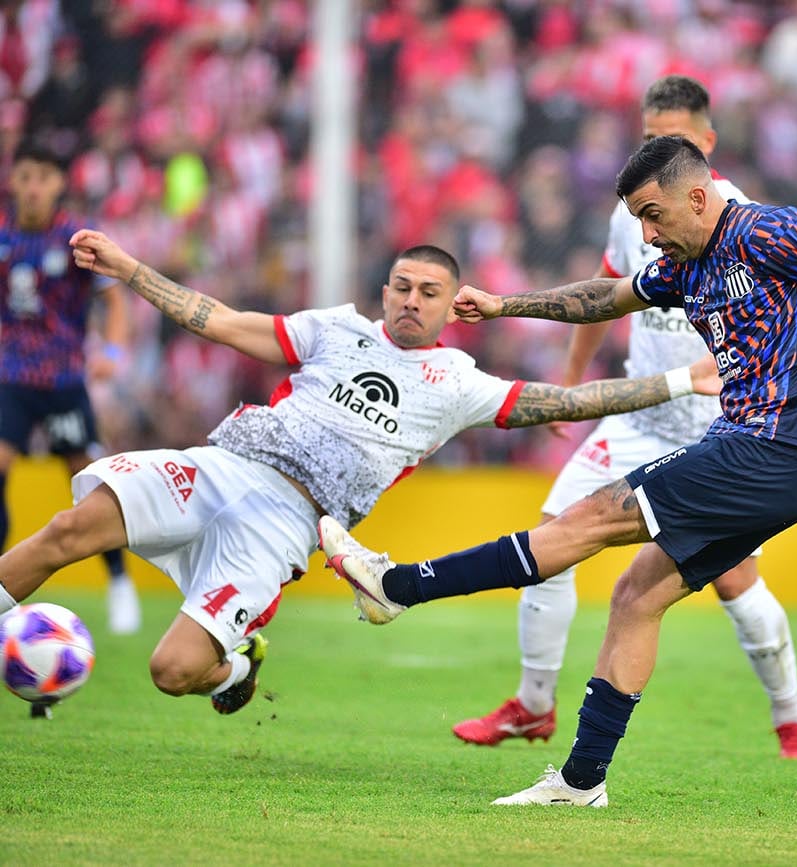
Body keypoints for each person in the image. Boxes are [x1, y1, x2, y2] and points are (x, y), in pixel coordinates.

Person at [319, 135, 797, 806]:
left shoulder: (765, 231)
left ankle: (398, 586)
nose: (647, 235)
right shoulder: (686, 267)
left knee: (583, 521)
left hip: (769, 447)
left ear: (699, 197)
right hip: (773, 459)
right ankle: (582, 781)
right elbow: (605, 298)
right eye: (638, 220)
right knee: (636, 595)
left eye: (654, 215)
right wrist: (506, 304)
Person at [0, 228, 720, 715]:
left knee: (172, 672)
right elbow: (216, 319)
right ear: (384, 291)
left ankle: (238, 665)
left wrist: (682, 381)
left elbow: (569, 399)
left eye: (428, 292)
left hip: (286, 521)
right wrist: (129, 269)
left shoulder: (457, 379)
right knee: (73, 527)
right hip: (222, 463)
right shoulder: (333, 327)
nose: (411, 300)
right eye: (401, 286)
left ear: (452, 306)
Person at [451, 75, 797, 761]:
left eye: (671, 139)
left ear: (705, 147)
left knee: (736, 581)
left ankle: (791, 714)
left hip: (718, 428)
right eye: (649, 136)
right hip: (636, 416)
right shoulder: (636, 214)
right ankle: (532, 705)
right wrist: (566, 383)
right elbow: (603, 292)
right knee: (554, 536)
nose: (655, 148)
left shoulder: (744, 223)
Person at [0, 141, 139, 635]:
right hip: (11, 377)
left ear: (59, 184)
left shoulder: (75, 240)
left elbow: (113, 301)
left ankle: (120, 581)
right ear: (13, 182)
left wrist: (115, 352)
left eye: (42, 177)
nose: (32, 188)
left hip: (63, 380)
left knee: (88, 482)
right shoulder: (3, 235)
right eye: (24, 177)